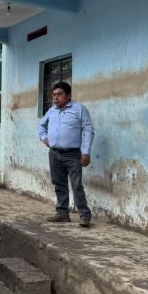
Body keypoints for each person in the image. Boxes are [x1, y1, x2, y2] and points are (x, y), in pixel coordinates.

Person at [37, 82, 95, 227]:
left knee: (76, 185)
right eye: (54, 95)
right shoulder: (51, 111)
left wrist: (86, 151)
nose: (56, 98)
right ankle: (62, 214)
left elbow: (88, 130)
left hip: (73, 154)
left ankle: (85, 215)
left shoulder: (79, 109)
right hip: (54, 153)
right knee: (59, 184)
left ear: (68, 95)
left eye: (59, 94)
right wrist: (44, 138)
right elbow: (41, 125)